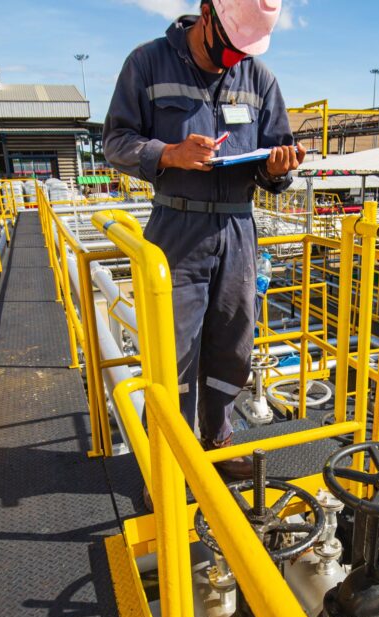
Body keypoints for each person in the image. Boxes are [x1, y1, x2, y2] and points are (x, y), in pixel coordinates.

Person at [104, 0, 305, 480]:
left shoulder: (260, 78)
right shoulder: (147, 63)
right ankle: (169, 455)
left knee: (232, 344)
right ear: (206, 13)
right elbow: (115, 141)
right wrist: (168, 153)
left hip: (238, 229)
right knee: (173, 351)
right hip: (176, 229)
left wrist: (278, 171)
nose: (235, 60)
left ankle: (217, 438)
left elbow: (274, 153)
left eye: (245, 51)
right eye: (230, 48)